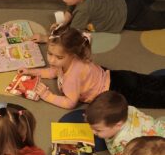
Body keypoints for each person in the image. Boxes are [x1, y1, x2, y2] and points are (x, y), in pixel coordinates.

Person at [21, 25, 165, 111]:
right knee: (151, 81)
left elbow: (70, 102)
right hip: (116, 75)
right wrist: (31, 71)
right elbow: (53, 71)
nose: (51, 60)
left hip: (114, 93)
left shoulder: (71, 78)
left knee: (154, 99)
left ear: (72, 54)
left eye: (58, 57)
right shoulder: (74, 56)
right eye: (49, 54)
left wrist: (47, 96)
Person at [85, 91, 165, 155]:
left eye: (98, 130)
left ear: (118, 125)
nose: (92, 131)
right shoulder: (126, 109)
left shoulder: (122, 143)